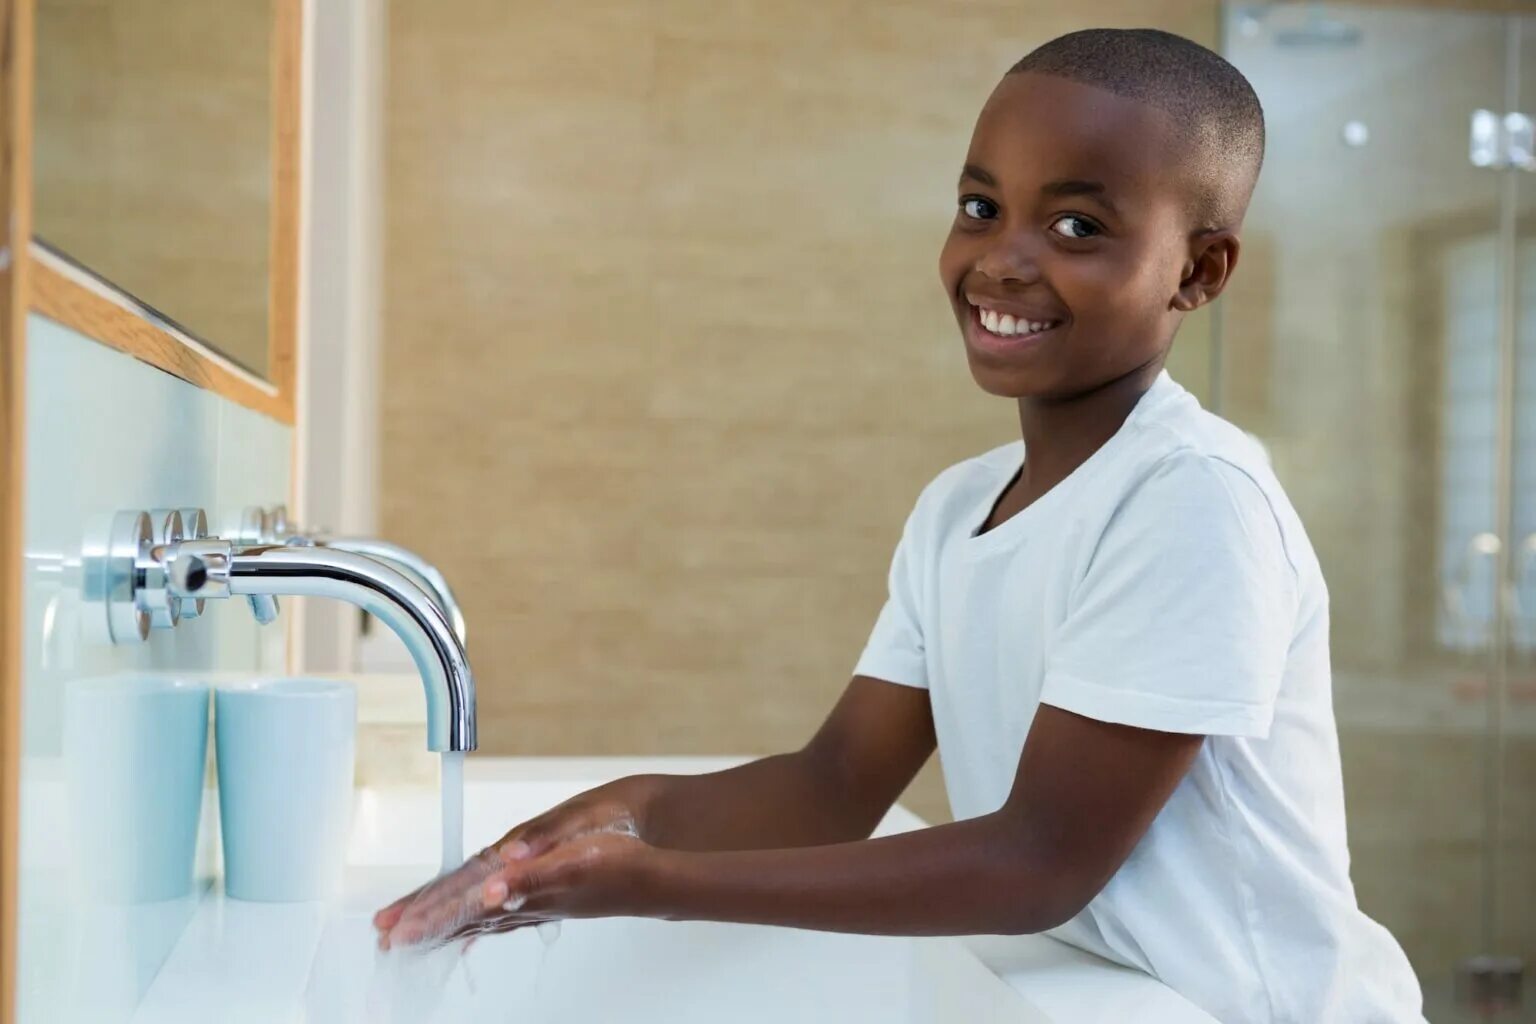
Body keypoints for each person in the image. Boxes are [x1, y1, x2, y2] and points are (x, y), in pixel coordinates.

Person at [374, 28, 1425, 1023]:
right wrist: (620, 813)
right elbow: (832, 784)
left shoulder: (1195, 501)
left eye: (1077, 227)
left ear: (1200, 272)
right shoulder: (959, 511)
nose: (1003, 261)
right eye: (980, 205)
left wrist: (658, 882)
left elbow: (1038, 863)